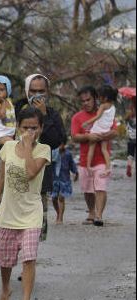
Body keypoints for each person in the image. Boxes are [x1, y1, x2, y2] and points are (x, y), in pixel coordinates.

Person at [0, 107, 51, 300]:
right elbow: (2, 178)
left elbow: (31, 172)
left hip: (31, 213)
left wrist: (29, 146)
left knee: (29, 257)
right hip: (8, 212)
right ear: (17, 127)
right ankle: (5, 289)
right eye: (25, 128)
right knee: (6, 260)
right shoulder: (8, 148)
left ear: (40, 128)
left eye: (34, 128)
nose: (29, 131)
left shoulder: (43, 150)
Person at [14, 74, 66, 241]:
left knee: (36, 228)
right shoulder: (15, 110)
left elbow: (56, 141)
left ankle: (30, 261)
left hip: (40, 179)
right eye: (33, 91)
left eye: (41, 91)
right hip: (14, 177)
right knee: (13, 226)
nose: (37, 95)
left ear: (47, 92)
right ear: (26, 91)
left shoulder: (53, 115)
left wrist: (44, 116)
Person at [71, 85, 118, 227]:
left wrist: (105, 135)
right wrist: (88, 136)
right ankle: (91, 212)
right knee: (87, 189)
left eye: (88, 99)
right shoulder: (77, 117)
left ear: (95, 98)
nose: (86, 103)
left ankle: (98, 216)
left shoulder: (105, 111)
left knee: (100, 187)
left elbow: (115, 131)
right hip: (85, 160)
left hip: (102, 159)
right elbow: (74, 136)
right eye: (83, 101)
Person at [82, 85, 117, 177]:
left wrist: (87, 122)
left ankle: (89, 166)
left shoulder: (103, 106)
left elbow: (97, 117)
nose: (98, 99)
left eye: (99, 97)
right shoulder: (113, 107)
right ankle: (108, 168)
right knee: (104, 150)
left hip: (97, 129)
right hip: (106, 130)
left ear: (105, 97)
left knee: (91, 147)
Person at [51, 140, 78, 224]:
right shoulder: (52, 153)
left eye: (62, 143)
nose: (60, 146)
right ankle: (58, 212)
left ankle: (60, 218)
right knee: (54, 198)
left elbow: (72, 164)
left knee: (61, 197)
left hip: (64, 179)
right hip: (54, 179)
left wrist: (76, 173)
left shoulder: (67, 154)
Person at [125, 96, 136, 177]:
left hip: (130, 138)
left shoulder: (129, 113)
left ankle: (129, 165)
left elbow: (125, 121)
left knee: (130, 154)